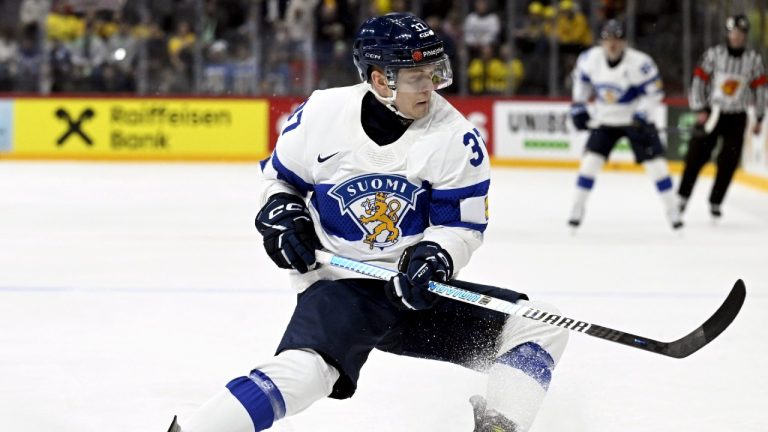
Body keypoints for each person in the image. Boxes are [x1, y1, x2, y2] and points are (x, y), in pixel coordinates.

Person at [167, 13, 568, 432]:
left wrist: (437, 256)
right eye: (416, 76)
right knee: (307, 373)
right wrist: (282, 214)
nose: (429, 86)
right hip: (340, 284)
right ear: (380, 80)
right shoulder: (323, 113)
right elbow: (281, 181)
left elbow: (461, 227)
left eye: (433, 72)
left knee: (540, 325)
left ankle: (499, 429)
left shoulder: (456, 138)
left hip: (410, 290)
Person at [568, 20, 683, 230]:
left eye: (617, 39)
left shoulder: (640, 63)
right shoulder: (589, 59)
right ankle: (577, 208)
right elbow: (581, 84)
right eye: (608, 39)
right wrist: (579, 107)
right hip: (605, 120)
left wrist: (642, 114)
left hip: (634, 122)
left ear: (624, 42)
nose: (612, 44)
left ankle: (672, 209)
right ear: (601, 41)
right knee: (589, 164)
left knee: (657, 167)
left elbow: (654, 93)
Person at [678, 14, 766, 219]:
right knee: (696, 155)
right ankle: (682, 197)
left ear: (745, 36)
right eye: (733, 32)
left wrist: (760, 117)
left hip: (737, 116)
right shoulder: (714, 55)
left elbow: (760, 89)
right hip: (713, 113)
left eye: (741, 33)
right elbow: (698, 80)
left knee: (729, 161)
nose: (736, 37)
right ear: (727, 33)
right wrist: (700, 108)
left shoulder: (753, 60)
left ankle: (716, 201)